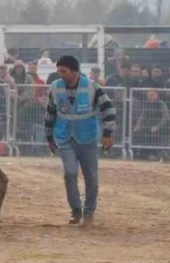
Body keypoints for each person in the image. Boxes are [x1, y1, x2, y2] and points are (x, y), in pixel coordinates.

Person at [44, 55, 116, 228]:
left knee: (91, 177)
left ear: (74, 71)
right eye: (59, 71)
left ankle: (89, 212)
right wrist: (49, 138)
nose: (60, 74)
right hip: (64, 137)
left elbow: (109, 109)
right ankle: (76, 209)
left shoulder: (92, 86)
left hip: (87, 137)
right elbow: (50, 113)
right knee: (70, 173)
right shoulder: (54, 87)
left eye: (64, 71)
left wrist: (107, 134)